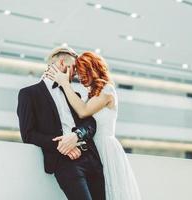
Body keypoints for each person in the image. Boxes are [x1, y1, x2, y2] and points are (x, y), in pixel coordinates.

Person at [44, 51, 143, 200]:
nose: (81, 77)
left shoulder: (107, 90)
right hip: (91, 150)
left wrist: (65, 83)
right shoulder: (88, 93)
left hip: (106, 148)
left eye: (85, 73)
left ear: (94, 69)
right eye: (79, 74)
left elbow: (83, 112)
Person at [17, 47, 106, 200]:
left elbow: (91, 123)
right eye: (74, 69)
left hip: (92, 158)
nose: (76, 74)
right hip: (65, 162)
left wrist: (76, 136)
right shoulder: (29, 94)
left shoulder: (73, 94)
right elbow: (28, 134)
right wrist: (63, 145)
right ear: (62, 63)